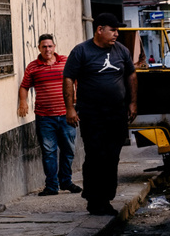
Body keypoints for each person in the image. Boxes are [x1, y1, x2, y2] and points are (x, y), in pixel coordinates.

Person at [63, 13, 138, 216]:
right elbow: (69, 77)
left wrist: (132, 102)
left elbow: (131, 74)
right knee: (96, 155)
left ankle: (106, 198)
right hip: (92, 114)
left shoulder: (121, 50)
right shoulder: (81, 51)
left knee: (112, 156)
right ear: (100, 30)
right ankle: (94, 199)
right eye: (113, 30)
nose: (116, 34)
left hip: (116, 114)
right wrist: (70, 108)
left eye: (117, 30)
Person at [17, 34, 82, 196]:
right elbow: (24, 86)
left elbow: (78, 78)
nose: (47, 49)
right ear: (39, 48)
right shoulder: (33, 67)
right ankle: (52, 186)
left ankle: (66, 181)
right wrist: (23, 102)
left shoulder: (66, 61)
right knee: (49, 152)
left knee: (68, 150)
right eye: (44, 46)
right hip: (44, 117)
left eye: (50, 46)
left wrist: (77, 93)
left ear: (55, 47)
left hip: (67, 115)